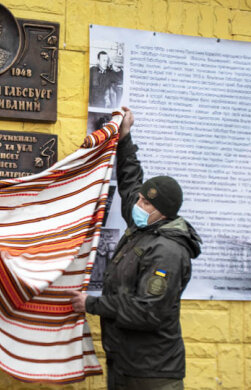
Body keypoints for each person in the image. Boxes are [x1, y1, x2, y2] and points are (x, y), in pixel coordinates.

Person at [70, 107, 202, 390]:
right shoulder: (145, 225)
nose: (138, 205)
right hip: (125, 364)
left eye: (146, 204)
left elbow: (148, 312)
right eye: (141, 199)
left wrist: (91, 304)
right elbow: (130, 181)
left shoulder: (167, 251)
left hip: (152, 373)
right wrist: (125, 138)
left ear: (163, 213)